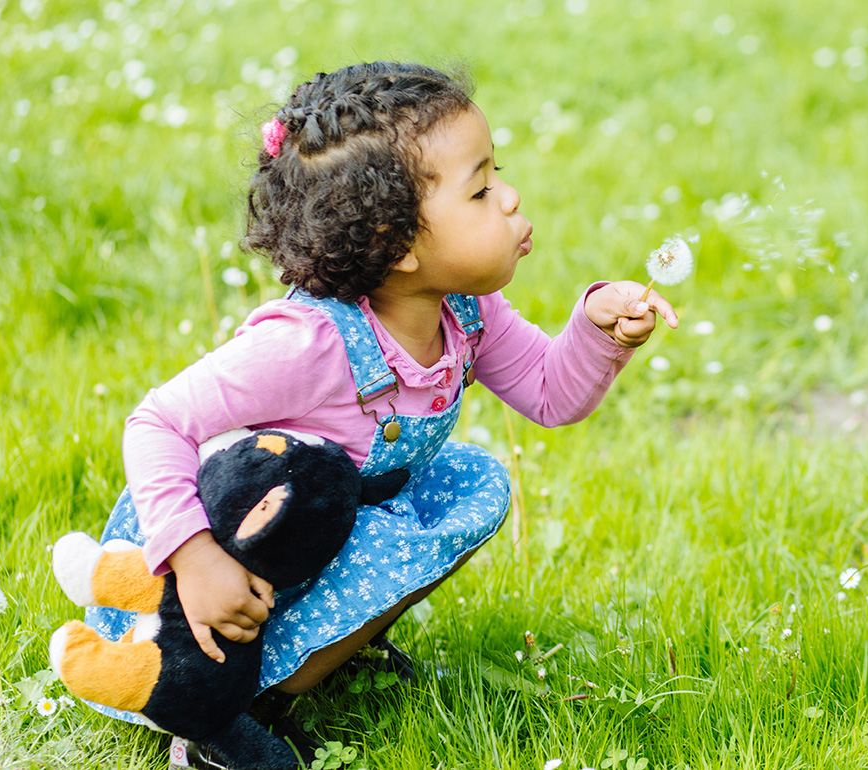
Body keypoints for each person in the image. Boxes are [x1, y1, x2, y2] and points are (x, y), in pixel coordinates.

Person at [83, 61, 677, 766]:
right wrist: (195, 556)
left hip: (320, 535)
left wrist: (599, 330)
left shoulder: (466, 310)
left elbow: (551, 395)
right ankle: (227, 712)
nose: (512, 197)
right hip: (208, 583)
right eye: (483, 189)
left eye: (499, 175)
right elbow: (156, 423)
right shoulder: (305, 343)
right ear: (397, 244)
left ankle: (324, 660)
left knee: (473, 484)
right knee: (373, 525)